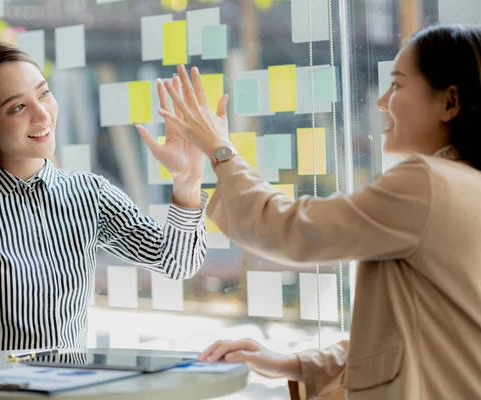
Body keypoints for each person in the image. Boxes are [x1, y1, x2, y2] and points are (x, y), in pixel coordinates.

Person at [138, 24, 481, 399]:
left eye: (397, 85)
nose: (383, 101)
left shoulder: (427, 184)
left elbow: (290, 230)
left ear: (450, 102)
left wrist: (220, 150)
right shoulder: (467, 184)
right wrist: (293, 365)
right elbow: (417, 336)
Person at [0, 41, 209, 361]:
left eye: (44, 93)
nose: (42, 113)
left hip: (73, 389)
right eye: (17, 107)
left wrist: (187, 181)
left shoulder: (91, 195)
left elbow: (177, 262)